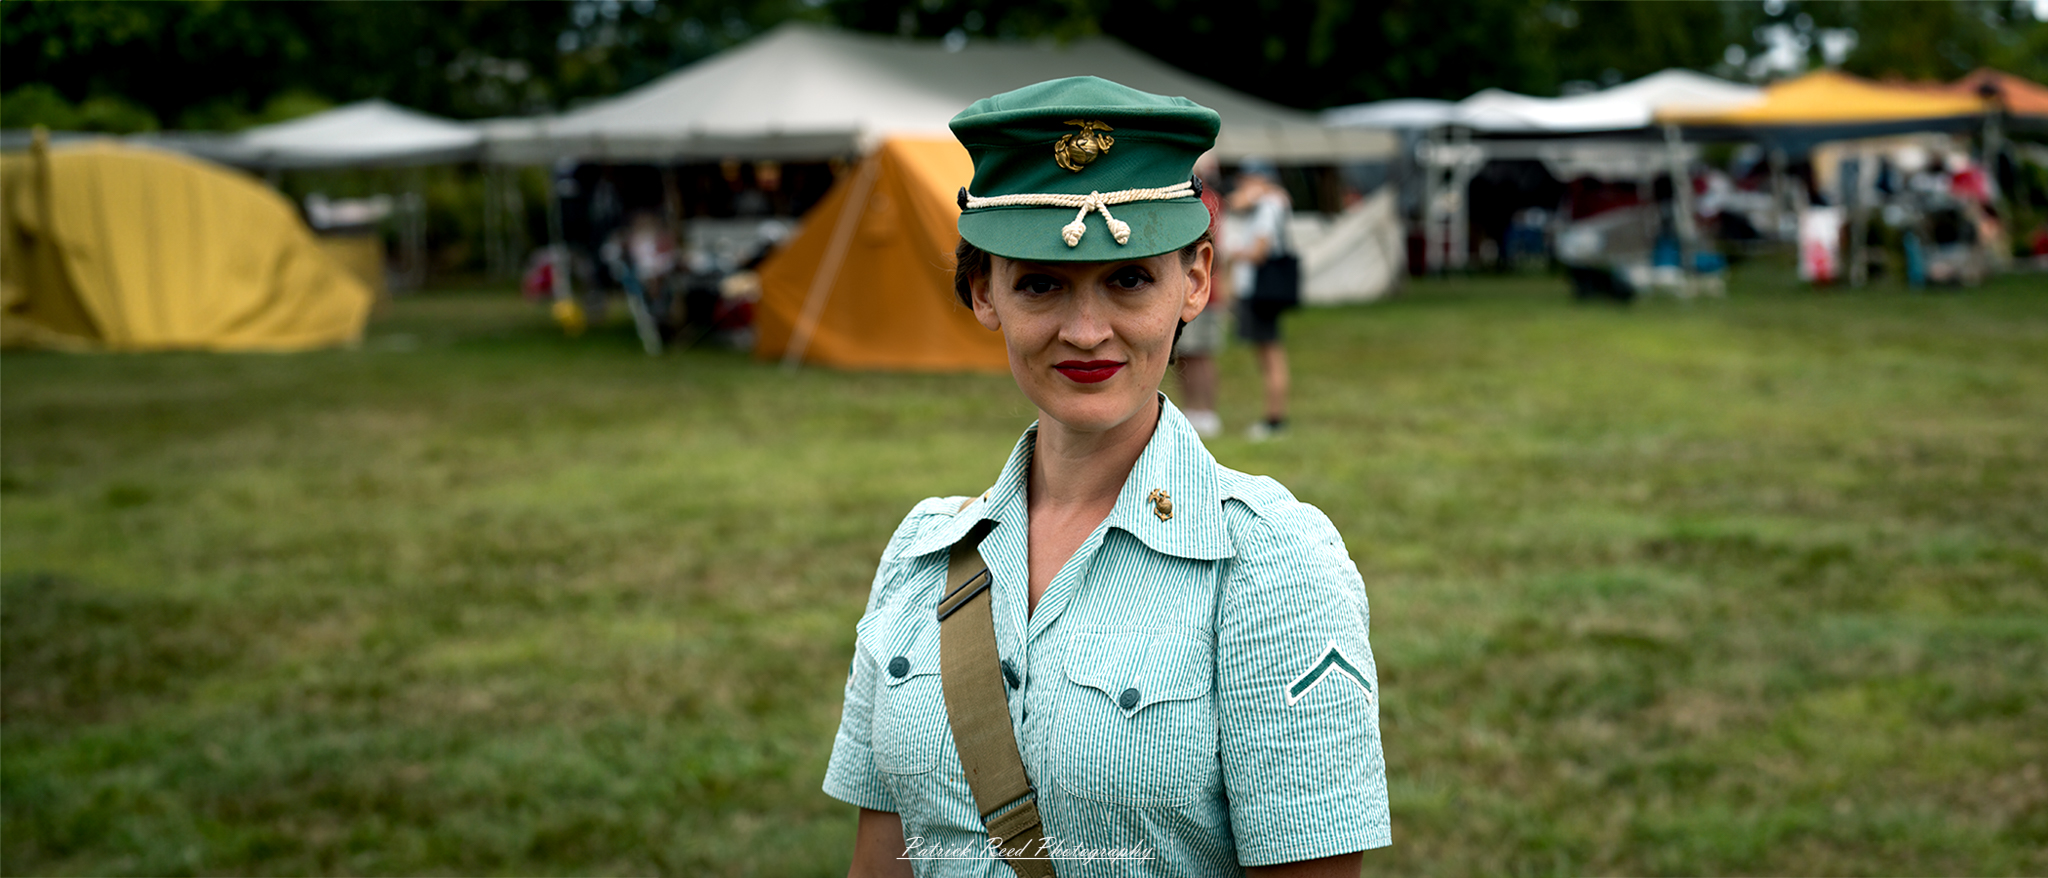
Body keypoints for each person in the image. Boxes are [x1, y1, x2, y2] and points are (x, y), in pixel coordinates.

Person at [824, 77, 1388, 877]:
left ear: (1196, 279)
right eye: (1041, 284)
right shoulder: (919, 557)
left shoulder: (1273, 565)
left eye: (1128, 280)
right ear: (985, 292)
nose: (1086, 333)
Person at [1226, 161, 1294, 441]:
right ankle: (1274, 418)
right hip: (1261, 289)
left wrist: (1231, 254)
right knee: (1268, 354)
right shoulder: (1272, 202)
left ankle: (1274, 420)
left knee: (1271, 356)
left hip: (1261, 290)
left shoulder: (1269, 205)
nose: (1242, 184)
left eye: (1246, 179)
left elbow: (1260, 251)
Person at [1170, 153, 1230, 439]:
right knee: (1183, 354)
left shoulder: (1206, 201)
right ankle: (1193, 410)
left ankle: (1205, 411)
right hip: (1188, 291)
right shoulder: (1198, 199)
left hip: (1204, 293)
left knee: (1200, 355)